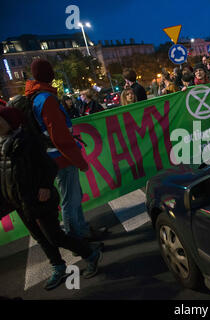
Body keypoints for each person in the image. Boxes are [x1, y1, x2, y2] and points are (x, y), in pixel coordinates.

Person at [0, 106, 102, 290]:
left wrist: (45, 186)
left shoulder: (27, 141)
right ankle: (58, 266)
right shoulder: (2, 145)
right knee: (39, 237)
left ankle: (90, 254)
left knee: (55, 236)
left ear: (10, 122)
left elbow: (49, 166)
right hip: (19, 201)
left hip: (39, 198)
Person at [24, 59, 106, 242]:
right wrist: (79, 160)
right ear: (48, 74)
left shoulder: (37, 96)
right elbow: (60, 136)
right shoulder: (46, 99)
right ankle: (78, 238)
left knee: (74, 198)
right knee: (70, 200)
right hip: (62, 157)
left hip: (57, 156)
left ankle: (82, 230)